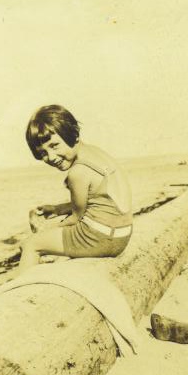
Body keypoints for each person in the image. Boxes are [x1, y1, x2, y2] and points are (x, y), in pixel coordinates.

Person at [18, 104, 133, 274]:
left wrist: (45, 230)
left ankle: (23, 294)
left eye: (54, 145)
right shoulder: (96, 153)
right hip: (121, 236)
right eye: (42, 153)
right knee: (54, 244)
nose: (50, 157)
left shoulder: (78, 172)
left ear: (72, 134)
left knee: (30, 244)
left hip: (99, 238)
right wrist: (57, 209)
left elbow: (77, 218)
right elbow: (95, 200)